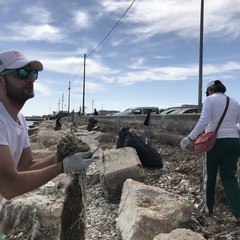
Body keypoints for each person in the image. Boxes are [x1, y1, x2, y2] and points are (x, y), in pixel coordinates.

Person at [0, 50, 93, 215]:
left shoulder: (20, 118)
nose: (30, 79)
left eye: (33, 73)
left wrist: (59, 157)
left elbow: (25, 166)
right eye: (21, 73)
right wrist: (62, 167)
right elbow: (9, 186)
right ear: (1, 81)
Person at [180, 80, 240, 222]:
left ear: (210, 90)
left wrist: (190, 138)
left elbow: (204, 121)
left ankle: (207, 208)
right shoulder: (235, 102)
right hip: (234, 142)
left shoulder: (209, 100)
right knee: (230, 178)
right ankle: (238, 213)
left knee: (210, 176)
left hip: (215, 143)